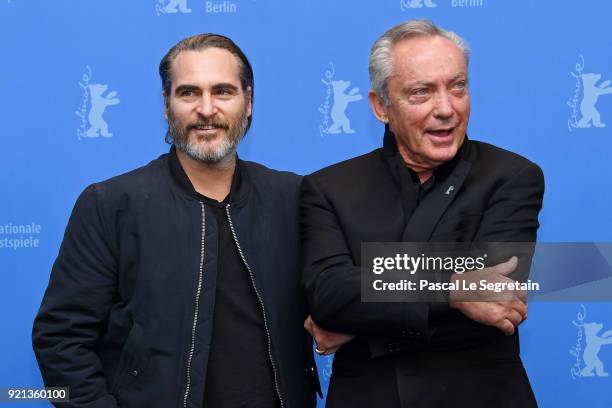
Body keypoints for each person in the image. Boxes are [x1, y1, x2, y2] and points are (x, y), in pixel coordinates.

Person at [33, 33, 317, 408]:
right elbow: (60, 339)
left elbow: (351, 287)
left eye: (223, 91)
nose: (206, 108)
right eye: (188, 93)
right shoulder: (111, 204)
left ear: (248, 102)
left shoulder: (294, 197)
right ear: (167, 105)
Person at [301, 20, 544, 407]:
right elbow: (329, 294)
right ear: (381, 106)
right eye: (421, 92)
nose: (446, 108)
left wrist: (360, 320)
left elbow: (498, 300)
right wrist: (452, 287)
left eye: (458, 86)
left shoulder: (512, 176)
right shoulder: (328, 187)